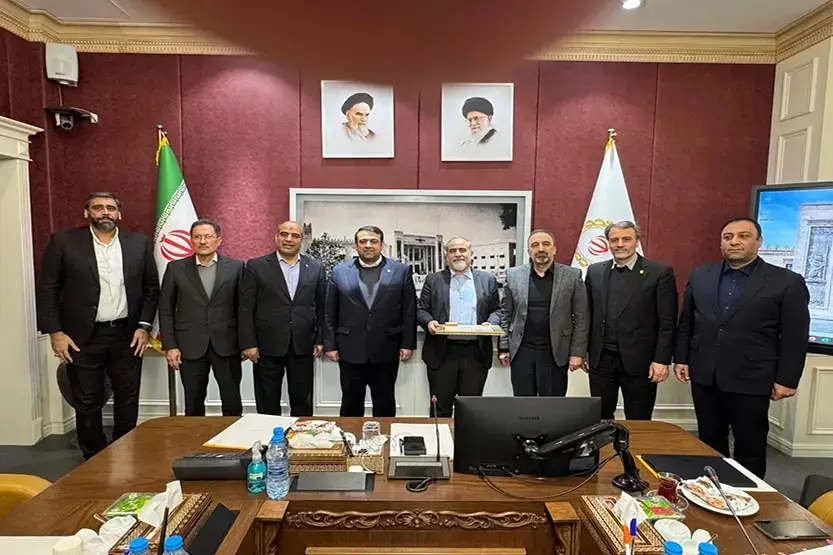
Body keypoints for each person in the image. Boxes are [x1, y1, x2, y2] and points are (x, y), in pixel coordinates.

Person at [675, 217, 810, 479]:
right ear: (721, 243)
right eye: (728, 237)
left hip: (752, 378)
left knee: (750, 446)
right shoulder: (701, 275)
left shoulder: (786, 281)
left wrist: (787, 379)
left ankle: (751, 495)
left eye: (743, 236)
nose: (734, 242)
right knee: (709, 442)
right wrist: (682, 358)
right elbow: (687, 322)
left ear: (759, 242)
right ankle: (711, 491)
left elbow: (795, 336)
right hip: (705, 376)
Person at [37, 192, 159, 459]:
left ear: (119, 214)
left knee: (128, 397)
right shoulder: (64, 242)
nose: (105, 212)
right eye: (98, 208)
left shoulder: (138, 243)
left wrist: (144, 326)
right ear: (87, 213)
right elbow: (48, 289)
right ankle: (93, 457)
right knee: (87, 399)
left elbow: (151, 287)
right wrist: (56, 333)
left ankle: (125, 452)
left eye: (111, 208)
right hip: (81, 336)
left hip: (127, 334)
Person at [585, 221, 678, 420]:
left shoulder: (659, 273)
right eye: (614, 240)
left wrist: (661, 360)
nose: (620, 244)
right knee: (600, 418)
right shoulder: (594, 271)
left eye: (626, 239)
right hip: (601, 361)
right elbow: (587, 315)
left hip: (640, 362)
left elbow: (667, 322)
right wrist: (582, 351)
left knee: (639, 418)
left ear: (637, 241)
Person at [324, 225, 417, 417]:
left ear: (381, 245)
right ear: (356, 245)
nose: (368, 245)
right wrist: (330, 345)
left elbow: (409, 311)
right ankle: (350, 436)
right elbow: (330, 311)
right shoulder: (339, 271)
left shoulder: (401, 271)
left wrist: (407, 344)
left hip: (386, 348)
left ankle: (384, 436)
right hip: (350, 349)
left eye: (373, 241)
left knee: (385, 403)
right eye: (363, 241)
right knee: (350, 403)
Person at [158, 218, 245, 417]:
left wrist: (244, 342)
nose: (203, 241)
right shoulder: (175, 268)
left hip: (227, 344)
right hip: (190, 345)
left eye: (208, 236)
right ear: (191, 240)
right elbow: (166, 309)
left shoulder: (236, 267)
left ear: (218, 240)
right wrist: (170, 346)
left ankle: (233, 436)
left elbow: (244, 309)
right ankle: (195, 436)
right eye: (197, 237)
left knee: (232, 400)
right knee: (193, 401)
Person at [239, 221, 326, 416]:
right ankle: (269, 435)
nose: (289, 239)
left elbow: (322, 307)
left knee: (302, 401)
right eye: (284, 234)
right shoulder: (256, 266)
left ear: (301, 240)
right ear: (276, 237)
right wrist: (249, 343)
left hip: (302, 345)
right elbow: (246, 308)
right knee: (267, 401)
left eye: (295, 236)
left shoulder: (316, 268)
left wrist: (320, 339)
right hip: (266, 346)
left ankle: (301, 434)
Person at [417, 237, 500, 417]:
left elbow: (497, 310)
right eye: (453, 251)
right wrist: (429, 322)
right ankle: (440, 437)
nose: (458, 254)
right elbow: (422, 310)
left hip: (476, 354)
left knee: (470, 410)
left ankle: (466, 438)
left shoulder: (488, 279)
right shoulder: (433, 279)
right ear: (446, 256)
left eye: (462, 250)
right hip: (442, 352)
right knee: (440, 409)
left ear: (471, 254)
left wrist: (491, 323)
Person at [499, 229, 589, 396]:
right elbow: (506, 314)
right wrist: (503, 347)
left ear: (554, 249)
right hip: (522, 351)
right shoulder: (513, 275)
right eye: (535, 245)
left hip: (556, 353)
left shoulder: (572, 276)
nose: (540, 248)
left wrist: (577, 353)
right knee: (523, 403)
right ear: (529, 252)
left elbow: (582, 318)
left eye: (546, 244)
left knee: (552, 404)